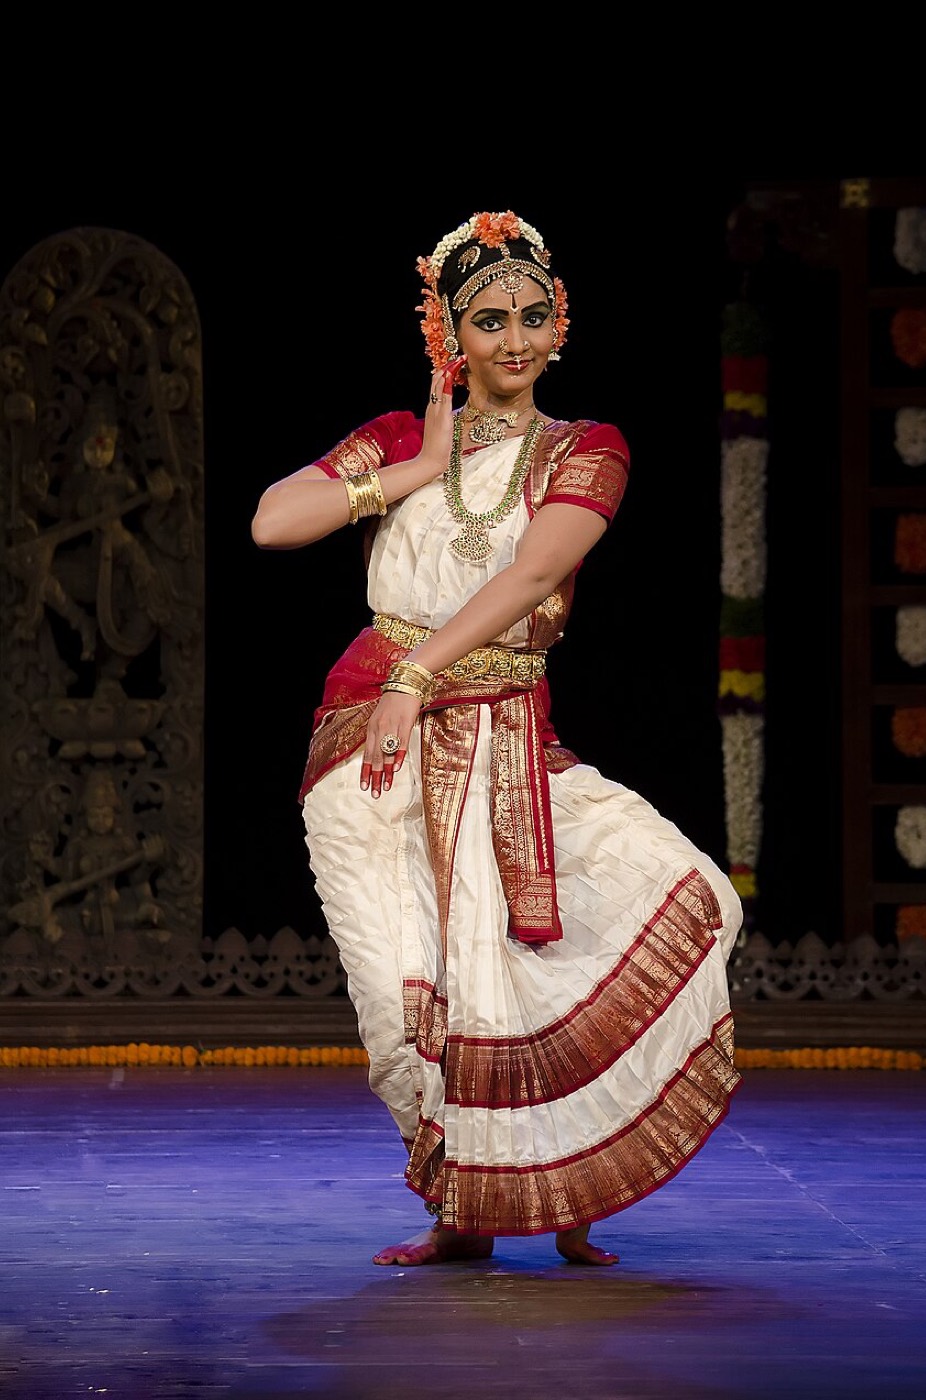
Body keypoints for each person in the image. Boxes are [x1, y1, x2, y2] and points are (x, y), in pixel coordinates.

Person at [252, 210, 743, 1267]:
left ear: (557, 323)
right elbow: (272, 521)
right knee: (399, 992)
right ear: (449, 335)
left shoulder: (584, 449)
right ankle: (460, 1207)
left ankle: (562, 1182)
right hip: (366, 744)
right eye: (487, 321)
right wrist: (421, 465)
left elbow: (529, 575)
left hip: (499, 732)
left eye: (531, 316)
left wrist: (421, 675)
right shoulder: (398, 437)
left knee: (596, 938)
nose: (512, 340)